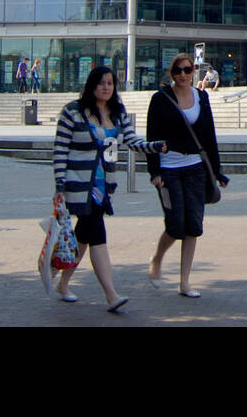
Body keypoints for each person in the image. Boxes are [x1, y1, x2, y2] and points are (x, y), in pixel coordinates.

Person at [52, 66, 165, 311]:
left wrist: (156, 146)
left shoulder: (118, 112)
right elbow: (60, 150)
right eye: (101, 83)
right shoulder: (73, 111)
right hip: (79, 183)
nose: (106, 87)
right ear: (91, 85)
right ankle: (111, 294)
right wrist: (59, 185)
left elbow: (131, 141)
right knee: (96, 232)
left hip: (104, 185)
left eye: (110, 83)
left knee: (83, 235)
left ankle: (63, 281)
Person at [146, 53, 230, 297]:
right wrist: (155, 172)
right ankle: (157, 259)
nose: (183, 74)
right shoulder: (161, 99)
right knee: (175, 225)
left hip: (195, 168)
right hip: (169, 169)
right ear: (172, 73)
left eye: (188, 69)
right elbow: (152, 137)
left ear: (194, 71)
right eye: (178, 70)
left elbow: (209, 137)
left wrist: (217, 171)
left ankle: (185, 282)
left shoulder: (201, 97)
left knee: (193, 225)